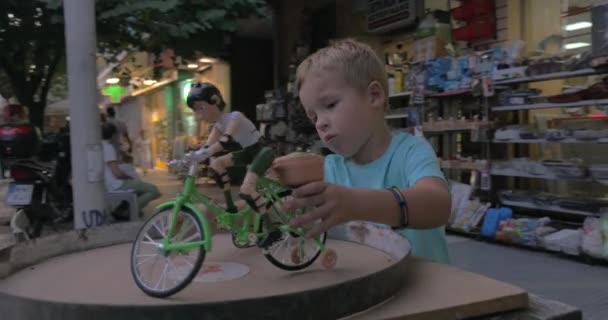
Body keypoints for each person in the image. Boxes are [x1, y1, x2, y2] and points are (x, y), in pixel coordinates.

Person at [276, 39, 451, 264]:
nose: (320, 123)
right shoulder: (329, 168)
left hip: (429, 287)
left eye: (329, 105)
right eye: (314, 117)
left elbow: (438, 205)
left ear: (374, 96)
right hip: (373, 288)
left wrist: (355, 204)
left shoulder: (410, 150)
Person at [184, 82, 268, 214]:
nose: (199, 115)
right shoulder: (218, 125)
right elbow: (208, 144)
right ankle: (230, 206)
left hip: (261, 151)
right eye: (196, 110)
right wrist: (194, 154)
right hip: (248, 152)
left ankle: (271, 229)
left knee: (246, 189)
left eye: (201, 108)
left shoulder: (235, 116)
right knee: (217, 164)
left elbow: (226, 140)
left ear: (215, 101)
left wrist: (206, 152)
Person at [102, 123, 160, 218]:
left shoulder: (100, 146)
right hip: (115, 184)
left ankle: (120, 211)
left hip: (109, 183)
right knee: (153, 190)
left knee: (139, 186)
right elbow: (117, 173)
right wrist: (129, 178)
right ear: (114, 135)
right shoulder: (108, 148)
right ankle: (130, 212)